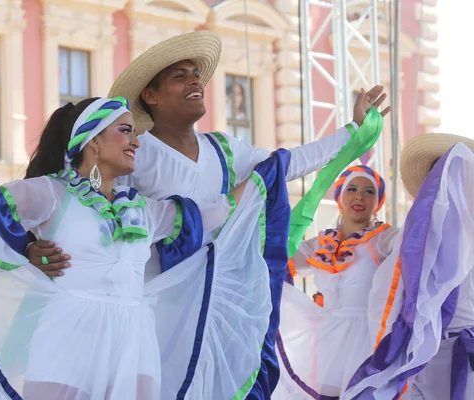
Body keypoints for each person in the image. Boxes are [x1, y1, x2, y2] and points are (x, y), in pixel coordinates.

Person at [0, 82, 305, 399]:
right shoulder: (49, 193)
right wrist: (26, 248)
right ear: (93, 141)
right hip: (67, 335)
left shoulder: (144, 210)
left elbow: (215, 212)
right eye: (124, 131)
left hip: (134, 339)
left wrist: (271, 174)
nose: (136, 141)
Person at [28, 30, 391, 398]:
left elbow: (288, 164)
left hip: (218, 305)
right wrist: (32, 245)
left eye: (196, 74)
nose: (195, 81)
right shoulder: (137, 150)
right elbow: (79, 198)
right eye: (180, 76)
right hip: (154, 305)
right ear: (151, 96)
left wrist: (353, 129)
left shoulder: (225, 150)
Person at [342, 134, 474, 399]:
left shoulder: (414, 236)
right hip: (423, 352)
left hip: (455, 351)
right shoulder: (415, 235)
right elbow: (389, 294)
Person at [273, 165, 400, 399]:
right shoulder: (321, 243)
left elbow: (417, 246)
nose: (359, 196)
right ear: (340, 197)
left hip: (367, 339)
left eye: (369, 191)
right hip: (327, 342)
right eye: (352, 189)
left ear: (379, 201)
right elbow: (276, 263)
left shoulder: (386, 238)